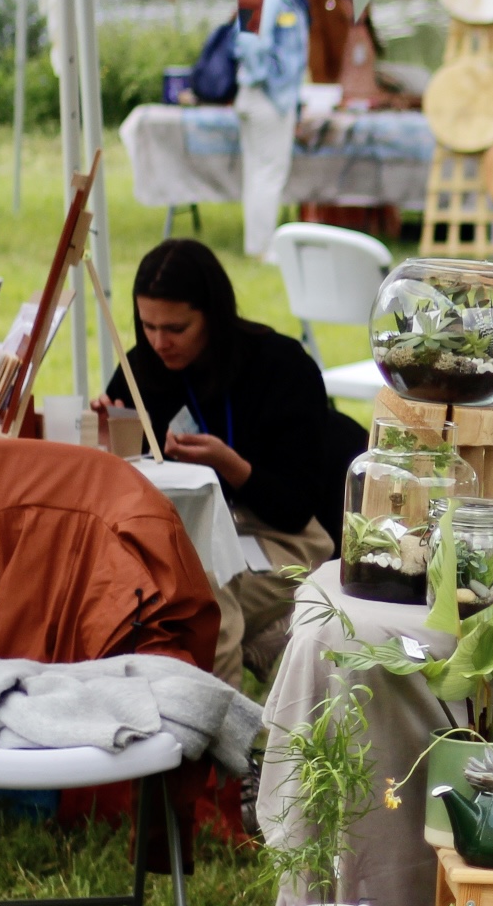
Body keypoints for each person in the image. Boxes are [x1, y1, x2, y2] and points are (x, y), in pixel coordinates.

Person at [100, 239, 361, 686]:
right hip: (187, 533)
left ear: (213, 317)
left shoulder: (280, 367)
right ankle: (257, 648)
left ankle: (220, 741)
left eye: (176, 328)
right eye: (147, 326)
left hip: (281, 534)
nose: (159, 342)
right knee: (170, 588)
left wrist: (232, 465)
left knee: (201, 601)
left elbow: (296, 506)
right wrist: (109, 441)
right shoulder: (141, 371)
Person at [234, 0, 309, 260]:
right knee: (268, 173)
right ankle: (264, 248)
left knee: (257, 172)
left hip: (258, 94)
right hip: (267, 96)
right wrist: (269, 80)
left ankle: (256, 244)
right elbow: (252, 43)